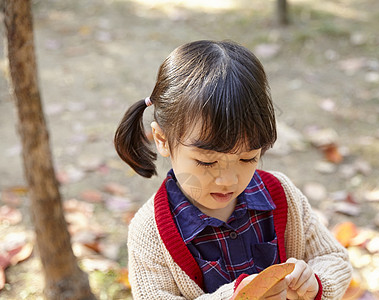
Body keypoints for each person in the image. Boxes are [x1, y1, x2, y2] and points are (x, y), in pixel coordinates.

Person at [114, 40, 352, 299]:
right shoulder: (151, 232)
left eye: (248, 158)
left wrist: (315, 283)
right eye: (207, 162)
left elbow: (332, 257)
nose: (227, 180)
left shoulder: (280, 195)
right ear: (162, 139)